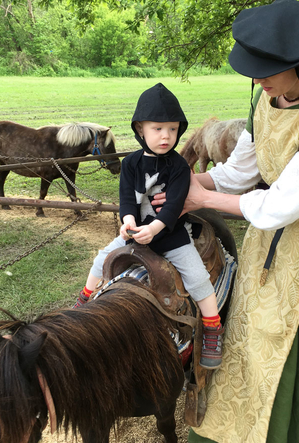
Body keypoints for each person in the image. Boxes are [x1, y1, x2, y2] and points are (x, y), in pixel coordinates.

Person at [153, 1, 299, 443]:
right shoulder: (266, 97)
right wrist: (192, 181)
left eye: (267, 69)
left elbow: (285, 203)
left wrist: (203, 199)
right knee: (256, 331)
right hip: (270, 229)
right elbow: (243, 170)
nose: (256, 79)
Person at [74, 82, 225, 369]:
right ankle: (84, 300)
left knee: (197, 277)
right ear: (140, 129)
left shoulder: (180, 167)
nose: (166, 136)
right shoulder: (131, 163)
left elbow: (174, 206)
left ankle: (213, 328)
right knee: (102, 259)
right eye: (158, 129)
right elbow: (127, 199)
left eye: (172, 129)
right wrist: (128, 221)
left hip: (171, 237)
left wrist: (154, 229)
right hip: (135, 234)